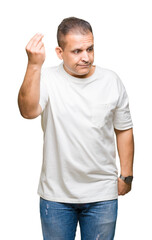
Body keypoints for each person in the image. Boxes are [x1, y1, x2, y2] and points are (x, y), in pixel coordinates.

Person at [18, 17, 134, 240]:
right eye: (77, 51)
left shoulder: (111, 80)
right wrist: (34, 65)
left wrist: (126, 175)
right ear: (60, 52)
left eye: (90, 49)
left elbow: (124, 129)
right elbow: (28, 111)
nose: (86, 57)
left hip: (102, 194)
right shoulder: (47, 78)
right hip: (56, 196)